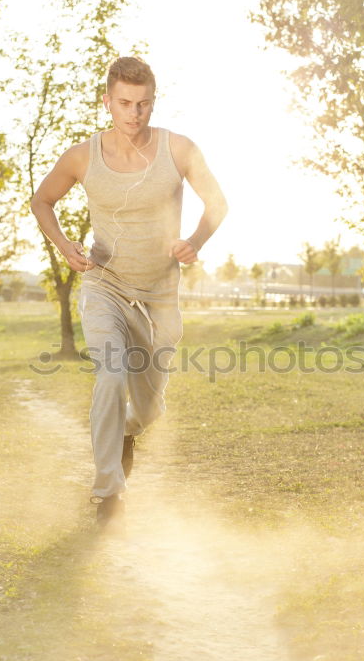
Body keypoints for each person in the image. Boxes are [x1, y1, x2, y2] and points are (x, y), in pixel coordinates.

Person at [31, 56, 228, 527]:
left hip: (160, 296)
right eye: (124, 103)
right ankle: (108, 491)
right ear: (107, 102)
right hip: (105, 286)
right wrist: (64, 246)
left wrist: (194, 242)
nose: (134, 114)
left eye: (143, 104)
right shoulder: (82, 156)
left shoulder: (179, 150)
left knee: (149, 408)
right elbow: (42, 200)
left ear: (152, 103)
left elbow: (217, 203)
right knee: (111, 375)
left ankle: (124, 435)